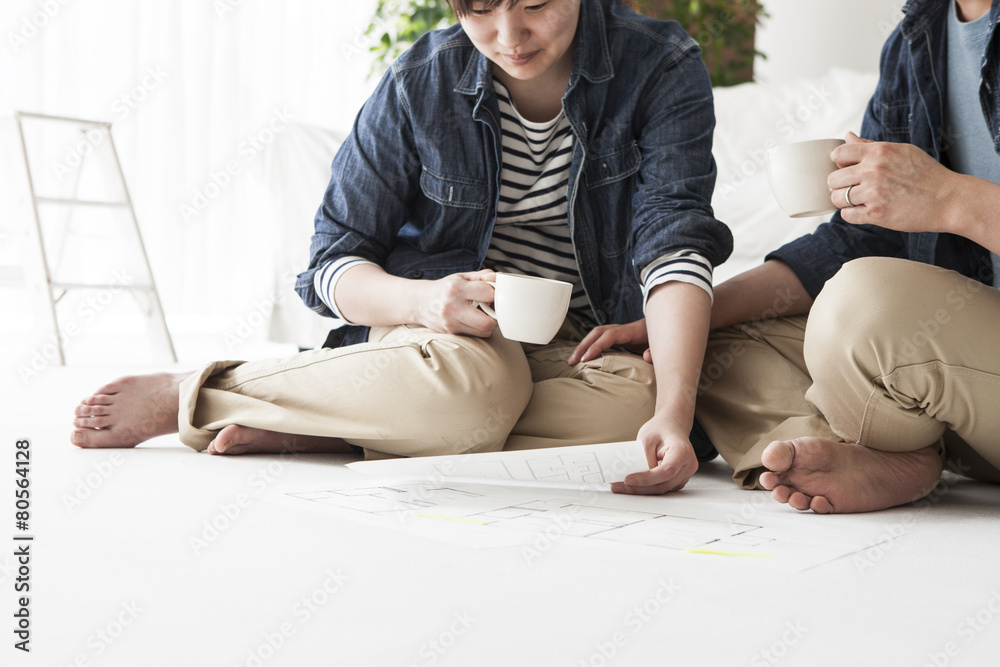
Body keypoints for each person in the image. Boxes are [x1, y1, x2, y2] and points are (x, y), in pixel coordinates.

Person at [71, 0, 732, 495]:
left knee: (646, 405)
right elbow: (330, 266)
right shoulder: (422, 79)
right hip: (436, 340)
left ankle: (334, 419)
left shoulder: (660, 67)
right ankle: (207, 389)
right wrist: (425, 302)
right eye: (479, 8)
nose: (509, 35)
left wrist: (673, 412)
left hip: (577, 343)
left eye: (535, 4)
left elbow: (673, 243)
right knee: (480, 383)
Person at [632, 0, 1000, 512]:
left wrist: (951, 199)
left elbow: (875, 271)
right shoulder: (917, 38)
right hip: (963, 396)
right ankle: (882, 454)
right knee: (715, 343)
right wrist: (688, 318)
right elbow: (861, 241)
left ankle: (891, 445)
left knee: (862, 302)